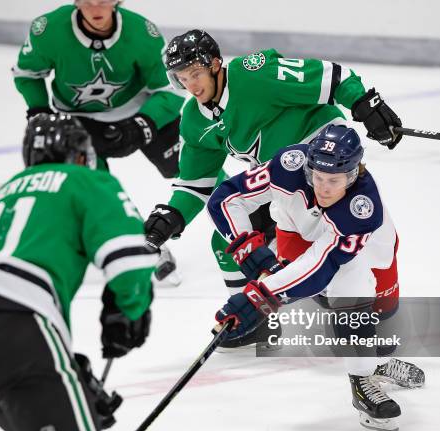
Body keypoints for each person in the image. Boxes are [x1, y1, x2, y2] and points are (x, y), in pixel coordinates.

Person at [0, 114, 158, 431]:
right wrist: (129, 310)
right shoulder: (87, 180)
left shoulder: (6, 191)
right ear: (79, 154)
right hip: (18, 324)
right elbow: (131, 260)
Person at [144, 30, 403, 299]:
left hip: (327, 166)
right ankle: (256, 326)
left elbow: (333, 77)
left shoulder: (252, 75)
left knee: (369, 243)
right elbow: (197, 184)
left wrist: (364, 103)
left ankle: (382, 311)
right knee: (227, 242)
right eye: (182, 78)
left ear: (215, 63)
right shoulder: (195, 120)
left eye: (195, 73)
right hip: (282, 179)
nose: (192, 86)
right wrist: (171, 217)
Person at [207, 125, 424, 431]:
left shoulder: (363, 210)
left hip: (370, 247)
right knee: (352, 287)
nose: (322, 188)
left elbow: (322, 267)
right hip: (298, 231)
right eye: (317, 177)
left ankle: (376, 362)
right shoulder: (289, 165)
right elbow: (225, 200)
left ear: (353, 174)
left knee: (379, 313)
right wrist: (248, 250)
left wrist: (257, 297)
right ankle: (363, 382)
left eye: (333, 180)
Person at [12, 0, 185, 177]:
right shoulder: (49, 30)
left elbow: (172, 88)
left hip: (138, 112)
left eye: (103, 1)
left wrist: (143, 124)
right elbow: (27, 74)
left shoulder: (143, 34)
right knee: (82, 183)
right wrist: (40, 111)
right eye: (88, 2)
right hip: (77, 120)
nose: (96, 8)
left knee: (192, 167)